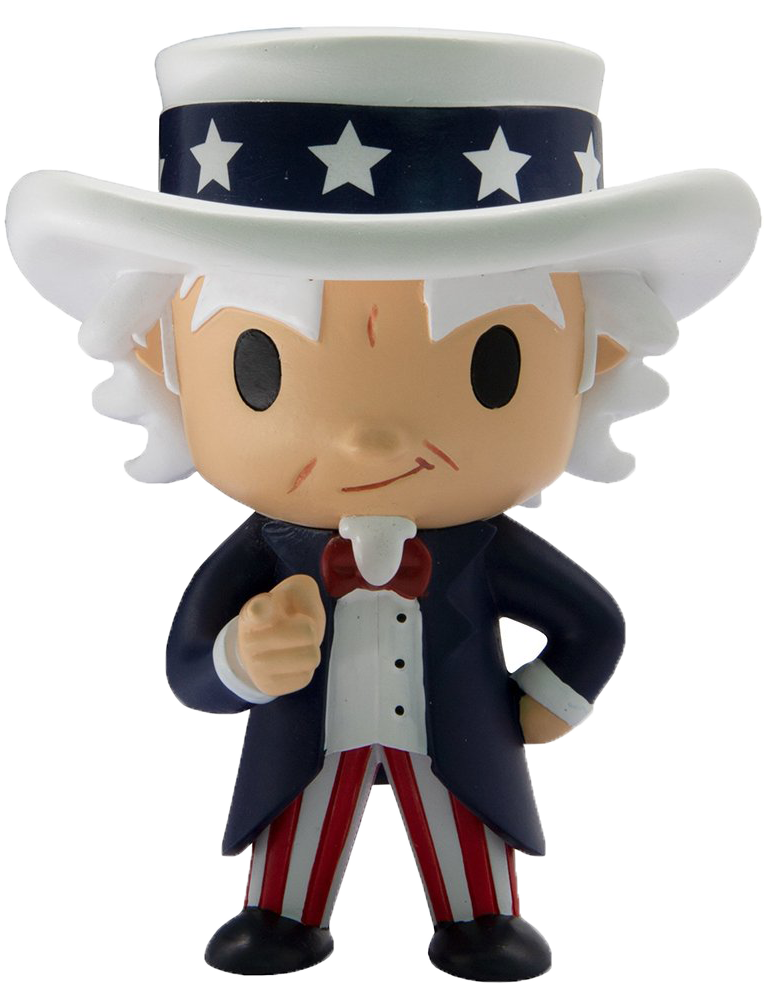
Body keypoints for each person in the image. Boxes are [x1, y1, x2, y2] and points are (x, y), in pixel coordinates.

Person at [5, 27, 759, 982]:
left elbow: (592, 621)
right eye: (259, 367)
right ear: (164, 359)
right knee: (299, 822)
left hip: (461, 739)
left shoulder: (483, 550)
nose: (372, 441)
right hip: (301, 742)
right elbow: (188, 671)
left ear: (592, 357)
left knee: (462, 824)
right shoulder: (268, 552)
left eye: (494, 366)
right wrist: (241, 658)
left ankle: (479, 917)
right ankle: (282, 913)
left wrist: (549, 698)